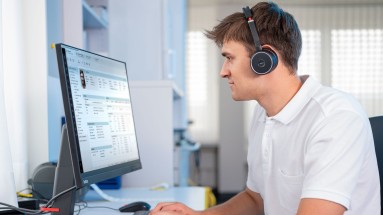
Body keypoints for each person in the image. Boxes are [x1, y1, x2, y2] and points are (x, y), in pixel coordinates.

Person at [151, 1, 380, 215]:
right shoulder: (264, 113)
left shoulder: (335, 118)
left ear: (264, 59)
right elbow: (255, 198)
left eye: (229, 58)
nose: (223, 71)